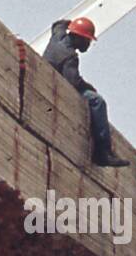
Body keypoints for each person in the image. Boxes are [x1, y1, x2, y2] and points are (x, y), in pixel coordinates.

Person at [42, 17, 129, 167]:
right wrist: (88, 87)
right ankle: (102, 152)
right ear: (79, 38)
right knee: (97, 101)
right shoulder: (70, 56)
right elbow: (73, 82)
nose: (88, 44)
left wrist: (74, 24)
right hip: (58, 88)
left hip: (48, 79)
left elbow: (58, 24)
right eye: (87, 40)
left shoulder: (58, 37)